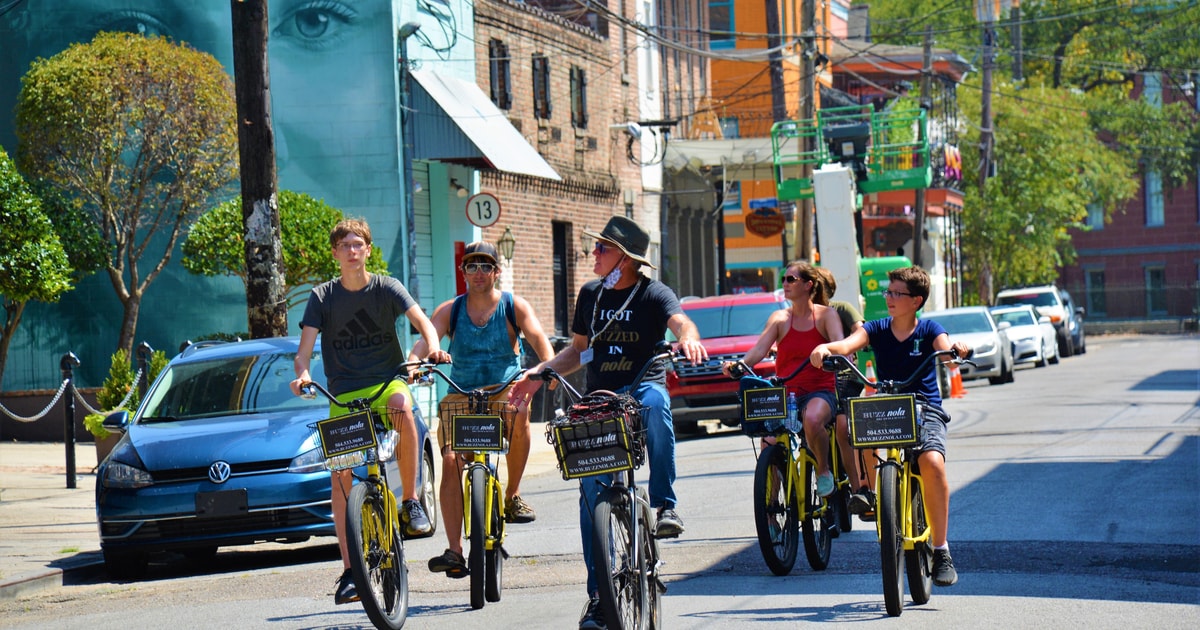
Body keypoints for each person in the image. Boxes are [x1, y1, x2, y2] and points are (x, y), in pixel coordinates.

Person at [507, 216, 707, 630]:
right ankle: (599, 598)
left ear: (626, 259)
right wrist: (537, 374)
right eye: (595, 247)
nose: (594, 254)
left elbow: (680, 321)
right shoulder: (590, 296)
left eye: (602, 248)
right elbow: (578, 351)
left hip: (640, 388)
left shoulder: (653, 293)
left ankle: (665, 505)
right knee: (590, 498)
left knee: (655, 405)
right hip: (599, 400)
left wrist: (688, 337)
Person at [290, 218, 449, 605]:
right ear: (335, 253)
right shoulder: (322, 297)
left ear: (368, 249)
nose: (351, 250)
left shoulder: (387, 287)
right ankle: (348, 571)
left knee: (403, 406)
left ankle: (410, 501)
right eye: (344, 244)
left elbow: (424, 324)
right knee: (340, 476)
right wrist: (304, 376)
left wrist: (431, 347)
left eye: (358, 243)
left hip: (386, 381)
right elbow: (303, 352)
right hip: (343, 391)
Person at [809, 265, 970, 587]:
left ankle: (941, 550)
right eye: (889, 292)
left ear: (916, 300)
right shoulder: (878, 328)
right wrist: (825, 348)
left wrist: (955, 352)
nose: (890, 298)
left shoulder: (928, 330)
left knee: (932, 463)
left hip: (924, 408)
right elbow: (850, 343)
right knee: (860, 422)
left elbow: (946, 350)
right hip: (888, 405)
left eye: (897, 293)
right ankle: (867, 490)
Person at [408, 241, 555, 578]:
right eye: (471, 266)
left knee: (519, 414)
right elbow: (422, 344)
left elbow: (538, 338)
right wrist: (415, 364)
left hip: (505, 390)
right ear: (463, 272)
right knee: (448, 460)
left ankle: (513, 494)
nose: (478, 273)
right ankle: (455, 550)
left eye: (485, 266)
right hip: (462, 394)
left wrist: (547, 368)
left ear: (496, 271)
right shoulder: (450, 310)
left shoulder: (512, 306)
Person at [720, 261, 844, 498]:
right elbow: (758, 351)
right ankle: (770, 509)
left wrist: (829, 352)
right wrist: (739, 365)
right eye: (783, 280)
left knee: (812, 418)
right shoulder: (779, 318)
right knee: (767, 442)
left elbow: (840, 344)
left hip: (819, 390)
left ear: (808, 285)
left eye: (791, 280)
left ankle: (823, 470)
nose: (785, 284)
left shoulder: (827, 315)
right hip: (786, 393)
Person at [812, 266, 874, 517]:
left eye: (816, 285)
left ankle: (858, 489)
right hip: (815, 379)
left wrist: (849, 346)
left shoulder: (842, 308)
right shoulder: (800, 315)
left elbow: (860, 330)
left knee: (842, 426)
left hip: (844, 375)